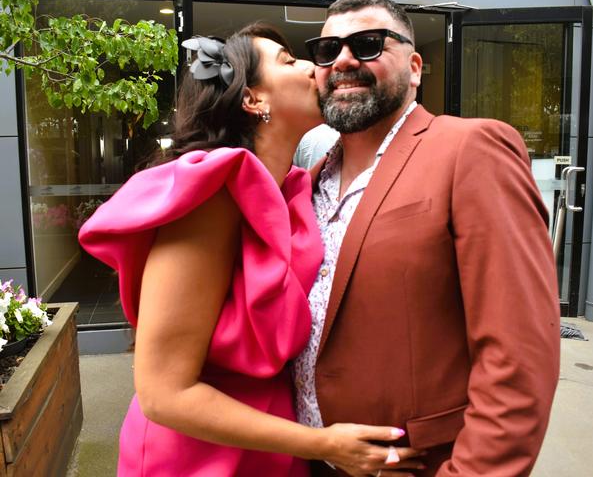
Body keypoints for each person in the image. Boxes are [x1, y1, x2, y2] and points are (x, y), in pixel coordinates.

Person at [78, 23, 424, 476]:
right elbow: (163, 393)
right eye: (288, 60)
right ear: (253, 100)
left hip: (267, 449)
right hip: (197, 457)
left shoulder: (297, 192)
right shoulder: (212, 198)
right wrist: (325, 444)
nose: (311, 67)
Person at [294, 0, 561, 476]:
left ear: (415, 67)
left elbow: (517, 360)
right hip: (309, 461)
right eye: (327, 50)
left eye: (369, 44)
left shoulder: (470, 149)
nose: (344, 60)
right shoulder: (308, 182)